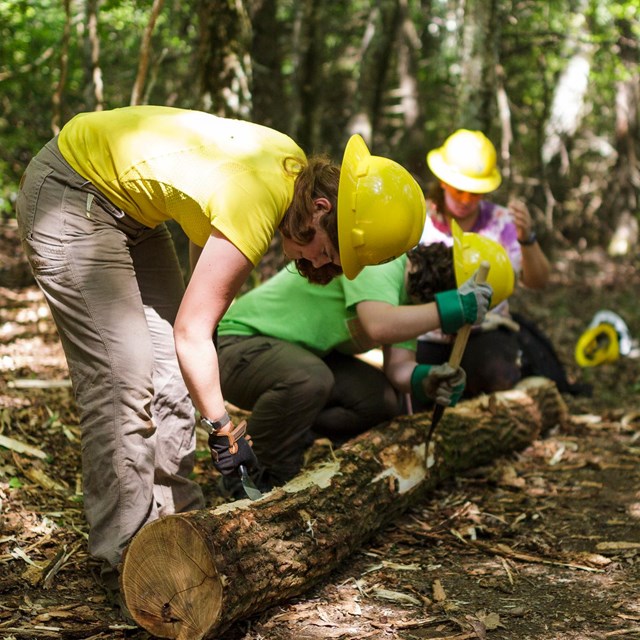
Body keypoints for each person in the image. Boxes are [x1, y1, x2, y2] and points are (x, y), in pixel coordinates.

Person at [14, 106, 426, 592]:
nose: (319, 263)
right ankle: (129, 565)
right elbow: (194, 331)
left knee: (169, 372)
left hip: (133, 216)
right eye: (326, 250)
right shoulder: (259, 201)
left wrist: (208, 400)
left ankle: (181, 530)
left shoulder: (288, 169)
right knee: (122, 382)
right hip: (72, 192)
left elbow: (201, 245)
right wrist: (224, 429)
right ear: (321, 208)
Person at [217, 238, 505, 497]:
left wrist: (428, 379)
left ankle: (291, 437)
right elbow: (378, 324)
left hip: (295, 357)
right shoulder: (380, 262)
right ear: (445, 288)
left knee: (380, 400)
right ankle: (251, 474)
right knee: (310, 378)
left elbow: (399, 370)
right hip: (238, 346)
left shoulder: (409, 299)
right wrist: (451, 309)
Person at [417, 128, 553, 397]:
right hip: (426, 332)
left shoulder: (502, 222)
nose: (466, 201)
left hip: (485, 331)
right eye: (459, 191)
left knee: (499, 374)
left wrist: (527, 238)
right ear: (443, 181)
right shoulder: (419, 219)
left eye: (475, 192)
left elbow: (537, 281)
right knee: (420, 392)